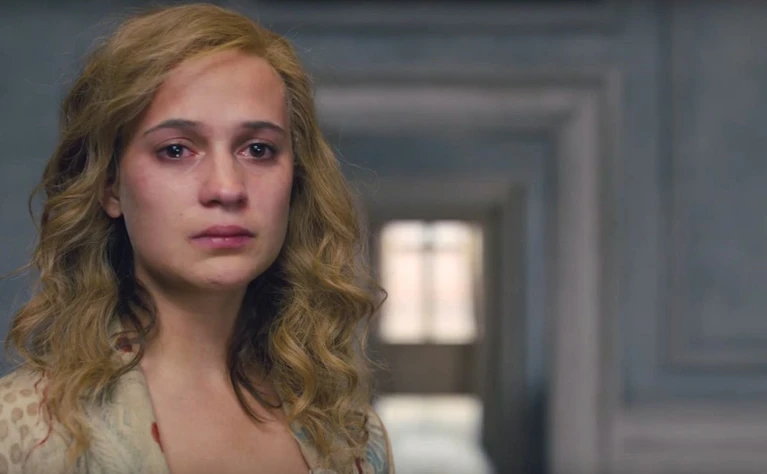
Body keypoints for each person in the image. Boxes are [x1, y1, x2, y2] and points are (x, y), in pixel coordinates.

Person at [0, 3, 393, 473]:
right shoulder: (23, 431)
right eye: (176, 150)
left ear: (296, 180)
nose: (226, 188)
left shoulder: (354, 438)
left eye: (258, 149)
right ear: (110, 186)